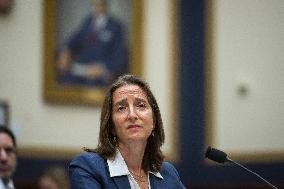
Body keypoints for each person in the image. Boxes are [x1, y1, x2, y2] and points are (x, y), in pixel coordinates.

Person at [69, 75, 186, 189]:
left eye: (141, 105)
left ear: (154, 122)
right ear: (111, 126)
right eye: (121, 108)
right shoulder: (88, 167)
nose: (132, 115)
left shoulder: (168, 173)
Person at [56, 0, 128, 87]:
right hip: (83, 68)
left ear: (105, 5)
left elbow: (119, 57)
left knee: (93, 85)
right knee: (66, 79)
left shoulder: (115, 27)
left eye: (99, 4)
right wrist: (65, 51)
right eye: (94, 4)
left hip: (101, 72)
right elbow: (72, 41)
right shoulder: (88, 22)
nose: (96, 7)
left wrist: (102, 68)